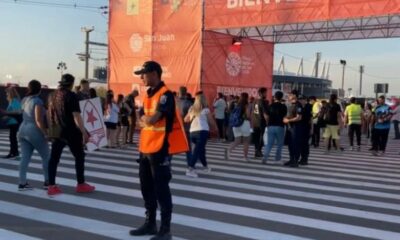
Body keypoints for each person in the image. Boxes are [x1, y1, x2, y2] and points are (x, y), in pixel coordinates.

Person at [130, 61, 188, 240]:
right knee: (146, 187)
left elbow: (151, 120)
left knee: (161, 189)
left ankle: (165, 230)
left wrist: (145, 119)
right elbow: (143, 119)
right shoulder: (148, 95)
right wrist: (145, 119)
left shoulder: (165, 95)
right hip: (145, 148)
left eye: (144, 74)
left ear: (154, 73)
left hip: (160, 149)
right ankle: (150, 224)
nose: (141, 77)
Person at [47, 74, 95, 196]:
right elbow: (76, 116)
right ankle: (81, 184)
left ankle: (51, 186)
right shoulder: (71, 95)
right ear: (72, 84)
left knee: (54, 159)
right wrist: (84, 132)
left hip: (56, 131)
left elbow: (49, 113)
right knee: (79, 156)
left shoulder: (51, 95)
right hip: (70, 131)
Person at [17, 80, 49, 190]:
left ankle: (22, 183)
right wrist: (45, 133)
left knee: (24, 157)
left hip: (22, 128)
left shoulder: (24, 100)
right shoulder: (38, 101)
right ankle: (48, 182)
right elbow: (38, 120)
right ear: (39, 89)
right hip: (34, 129)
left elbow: (22, 112)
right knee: (46, 157)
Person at [184, 91, 217, 178]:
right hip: (202, 131)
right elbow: (211, 121)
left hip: (192, 132)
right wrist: (215, 128)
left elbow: (186, 119)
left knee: (201, 150)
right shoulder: (206, 109)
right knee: (197, 150)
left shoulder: (191, 108)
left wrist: (192, 116)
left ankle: (205, 167)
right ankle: (190, 168)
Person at [226, 92, 252, 162]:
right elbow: (248, 115)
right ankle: (245, 157)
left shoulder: (237, 104)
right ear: (247, 97)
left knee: (237, 140)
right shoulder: (247, 105)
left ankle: (229, 150)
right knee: (246, 141)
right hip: (245, 124)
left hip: (236, 124)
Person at [263, 91, 287, 164]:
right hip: (280, 126)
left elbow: (266, 115)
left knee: (269, 143)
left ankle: (265, 157)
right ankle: (277, 158)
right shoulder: (283, 106)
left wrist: (267, 122)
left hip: (271, 126)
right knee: (280, 144)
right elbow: (285, 116)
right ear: (281, 97)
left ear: (274, 97)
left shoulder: (270, 105)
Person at [283, 90, 303, 167]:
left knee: (295, 144)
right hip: (289, 127)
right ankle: (291, 159)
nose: (289, 96)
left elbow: (299, 117)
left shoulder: (298, 105)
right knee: (290, 144)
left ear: (294, 95)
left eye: (290, 94)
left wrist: (288, 120)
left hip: (296, 128)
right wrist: (285, 118)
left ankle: (295, 161)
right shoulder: (290, 104)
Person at [0, 87, 22, 159]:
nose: (6, 94)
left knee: (13, 138)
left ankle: (14, 153)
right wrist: (6, 116)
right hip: (12, 122)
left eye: (7, 93)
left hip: (14, 122)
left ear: (10, 93)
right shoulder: (12, 101)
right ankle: (13, 152)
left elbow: (18, 111)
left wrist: (6, 112)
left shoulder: (14, 101)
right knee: (12, 138)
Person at [176, 86, 193, 165]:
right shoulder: (188, 103)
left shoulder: (174, 102)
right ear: (186, 93)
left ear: (178, 92)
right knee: (188, 148)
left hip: (175, 128)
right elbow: (191, 117)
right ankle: (190, 165)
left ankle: (167, 163)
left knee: (172, 147)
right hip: (185, 128)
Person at [251, 88, 269, 158]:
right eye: (265, 93)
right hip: (261, 122)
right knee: (261, 137)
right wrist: (267, 122)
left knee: (256, 137)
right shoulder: (262, 101)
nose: (266, 94)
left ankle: (257, 151)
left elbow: (254, 111)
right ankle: (258, 150)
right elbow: (265, 114)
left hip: (255, 121)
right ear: (261, 93)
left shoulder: (255, 101)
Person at [299, 95, 313, 165]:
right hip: (300, 127)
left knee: (305, 144)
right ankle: (302, 158)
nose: (301, 101)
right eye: (300, 99)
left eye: (303, 99)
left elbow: (311, 119)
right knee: (301, 143)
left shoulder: (309, 107)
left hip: (306, 127)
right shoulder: (299, 106)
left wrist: (311, 129)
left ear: (305, 100)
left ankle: (305, 159)